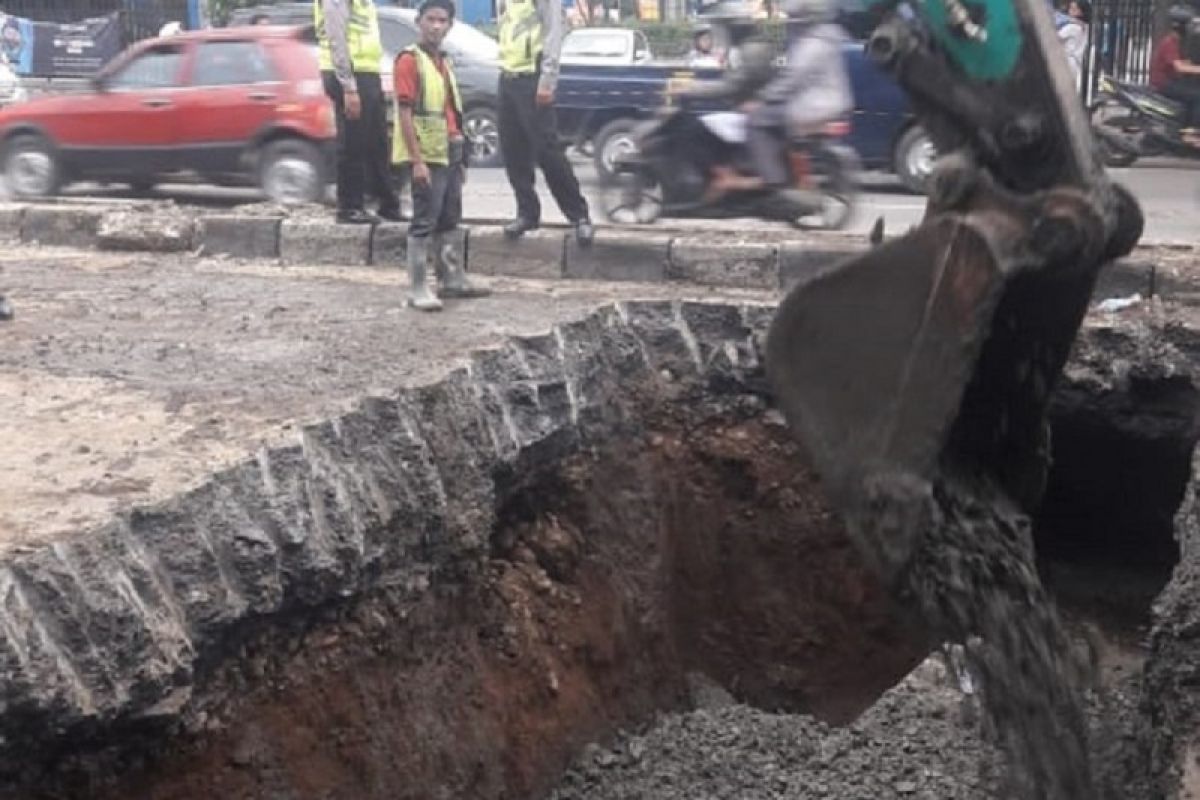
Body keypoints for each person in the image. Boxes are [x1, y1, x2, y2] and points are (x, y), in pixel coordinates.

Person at [393, 0, 490, 311]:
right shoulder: (410, 60)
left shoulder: (443, 61)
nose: (436, 26)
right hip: (427, 153)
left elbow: (452, 110)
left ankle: (451, 279)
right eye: (431, 19)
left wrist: (460, 158)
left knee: (449, 218)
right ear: (419, 22)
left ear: (449, 25)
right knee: (424, 220)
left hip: (449, 149)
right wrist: (417, 161)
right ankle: (417, 288)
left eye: (442, 20)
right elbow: (405, 113)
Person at [497, 0, 595, 245]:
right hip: (508, 78)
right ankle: (527, 213)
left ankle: (579, 216)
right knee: (514, 153)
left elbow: (553, 35)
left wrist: (547, 81)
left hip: (534, 79)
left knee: (547, 151)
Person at [741, 0, 851, 200]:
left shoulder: (810, 44)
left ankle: (772, 180)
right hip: (838, 103)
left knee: (756, 121)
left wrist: (763, 99)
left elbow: (792, 79)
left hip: (812, 108)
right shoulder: (833, 38)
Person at [315, 0, 401, 224]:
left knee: (378, 143)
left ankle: (387, 204)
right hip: (349, 75)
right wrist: (349, 86)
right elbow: (337, 38)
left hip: (367, 73)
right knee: (354, 143)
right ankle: (350, 207)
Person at [1151, 5, 1200, 132]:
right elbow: (1179, 67)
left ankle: (1183, 125)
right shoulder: (1169, 42)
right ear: (1181, 26)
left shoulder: (1175, 42)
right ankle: (1192, 131)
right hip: (1163, 83)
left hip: (1170, 81)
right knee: (1197, 96)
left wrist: (1190, 65)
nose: (1192, 28)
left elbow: (1178, 63)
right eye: (1190, 25)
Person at [1054, 0, 1090, 88]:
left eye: (1075, 9)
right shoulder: (1084, 26)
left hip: (1067, 61)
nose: (1071, 11)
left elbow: (1056, 37)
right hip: (1076, 62)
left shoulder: (1071, 27)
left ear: (1082, 12)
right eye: (1071, 8)